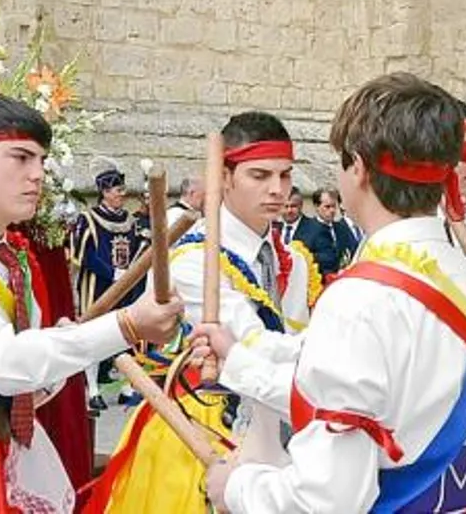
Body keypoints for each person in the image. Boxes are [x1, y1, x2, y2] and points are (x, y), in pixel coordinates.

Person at [198, 73, 466, 512]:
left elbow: (328, 499)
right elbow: (389, 407)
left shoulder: (360, 299)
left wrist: (236, 487)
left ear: (358, 168)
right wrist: (239, 364)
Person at [0, 93, 185, 513]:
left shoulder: (11, 258)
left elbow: (26, 381)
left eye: (41, 161)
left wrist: (64, 346)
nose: (37, 175)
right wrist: (126, 326)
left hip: (7, 450)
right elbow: (6, 366)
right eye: (21, 158)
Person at [82, 111, 319, 514]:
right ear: (224, 177)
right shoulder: (195, 260)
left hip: (276, 434)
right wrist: (332, 350)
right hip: (198, 431)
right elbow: (251, 346)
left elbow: (291, 346)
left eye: (285, 175)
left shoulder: (292, 260)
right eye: (259, 176)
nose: (277, 189)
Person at [68, 167, 147, 406]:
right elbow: (85, 255)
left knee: (125, 334)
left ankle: (126, 386)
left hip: (124, 289)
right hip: (97, 288)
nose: (122, 194)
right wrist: (113, 272)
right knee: (93, 336)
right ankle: (92, 390)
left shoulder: (130, 221)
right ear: (104, 192)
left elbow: (136, 251)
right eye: (117, 190)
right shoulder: (88, 219)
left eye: (123, 189)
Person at [294, 187, 360, 277]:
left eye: (334, 206)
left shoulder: (342, 228)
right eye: (327, 207)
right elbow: (302, 258)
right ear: (317, 207)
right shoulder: (306, 229)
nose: (332, 210)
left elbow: (352, 251)